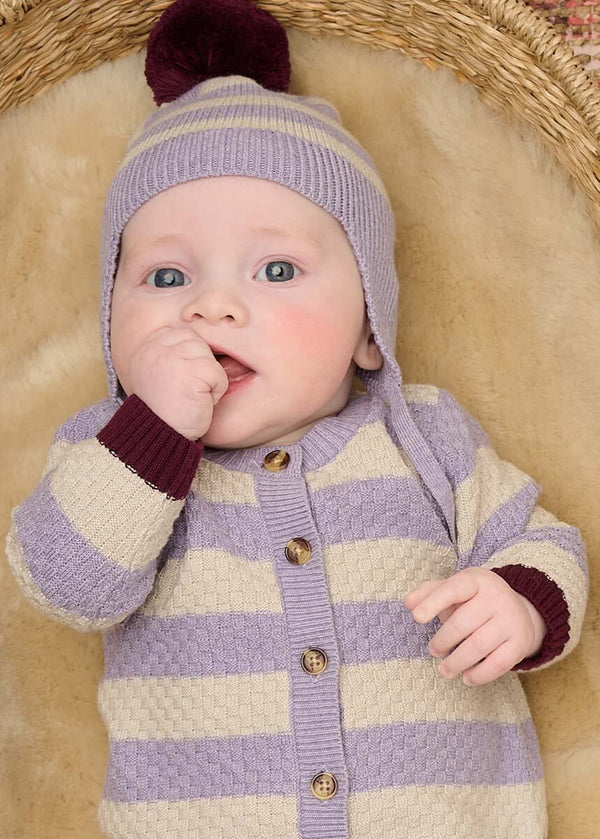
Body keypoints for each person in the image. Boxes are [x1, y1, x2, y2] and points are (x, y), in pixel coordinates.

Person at [5, 0, 587, 837]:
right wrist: (156, 427)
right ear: (110, 320)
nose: (213, 306)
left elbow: (544, 541)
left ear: (367, 331)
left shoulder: (424, 435)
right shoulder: (110, 452)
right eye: (166, 279)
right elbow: (65, 582)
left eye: (276, 268)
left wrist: (520, 603)